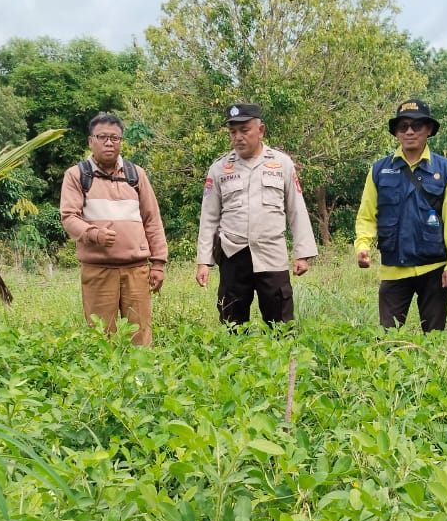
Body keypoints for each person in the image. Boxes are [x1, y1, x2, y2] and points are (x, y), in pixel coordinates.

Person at [195, 103, 317, 325]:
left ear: (260, 131)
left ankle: (283, 360)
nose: (238, 137)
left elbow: (296, 209)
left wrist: (302, 253)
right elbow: (209, 217)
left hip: (271, 255)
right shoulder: (220, 168)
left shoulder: (281, 164)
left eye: (245, 130)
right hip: (233, 255)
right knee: (232, 324)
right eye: (233, 132)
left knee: (280, 324)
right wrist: (204, 261)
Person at [354, 99, 447, 332]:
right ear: (396, 132)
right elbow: (366, 215)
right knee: (387, 337)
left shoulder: (446, 170)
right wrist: (362, 246)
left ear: (428, 130)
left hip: (434, 268)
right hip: (393, 268)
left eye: (416, 125)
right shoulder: (379, 170)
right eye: (403, 126)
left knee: (434, 339)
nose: (409, 131)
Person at [60, 112, 168, 346]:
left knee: (140, 337)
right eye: (103, 137)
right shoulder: (77, 175)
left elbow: (152, 219)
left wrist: (158, 263)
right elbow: (69, 217)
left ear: (121, 141)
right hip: (98, 270)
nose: (109, 143)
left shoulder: (135, 174)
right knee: (101, 338)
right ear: (91, 141)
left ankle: (141, 380)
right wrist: (94, 235)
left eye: (115, 138)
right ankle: (105, 383)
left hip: (136, 270)